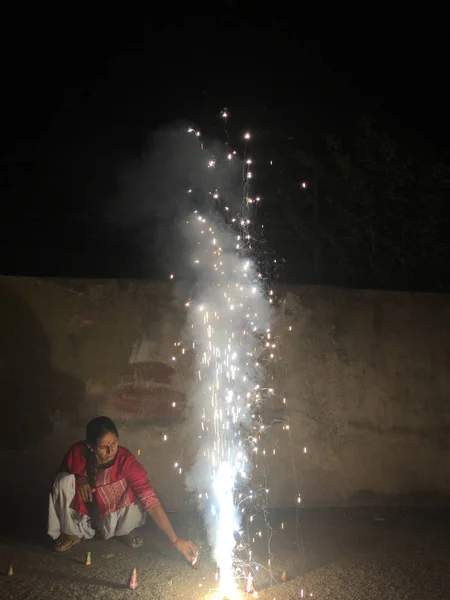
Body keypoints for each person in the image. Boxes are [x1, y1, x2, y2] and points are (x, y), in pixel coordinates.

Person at [48, 416, 198, 564]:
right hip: (88, 508)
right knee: (63, 481)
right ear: (91, 447)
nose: (110, 450)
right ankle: (72, 532)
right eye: (102, 447)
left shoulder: (126, 462)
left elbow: (150, 501)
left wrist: (176, 540)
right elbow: (63, 477)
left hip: (115, 512)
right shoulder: (78, 452)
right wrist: (79, 478)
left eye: (114, 443)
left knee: (127, 487)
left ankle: (124, 529)